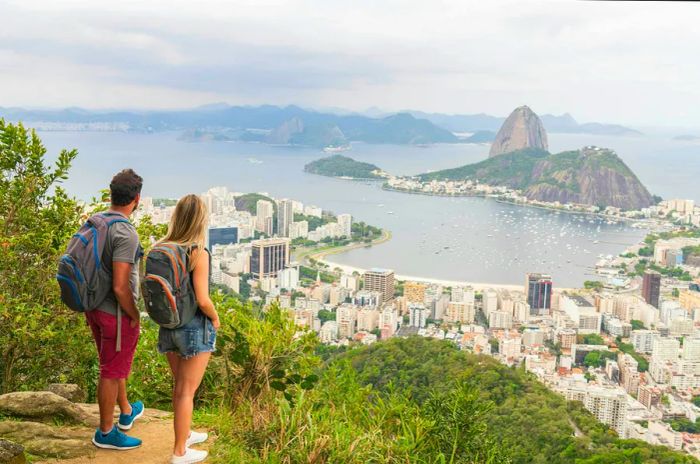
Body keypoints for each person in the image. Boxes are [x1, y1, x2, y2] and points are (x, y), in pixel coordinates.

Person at [157, 194, 219, 464]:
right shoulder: (198, 251)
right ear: (200, 221)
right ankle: (180, 452)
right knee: (186, 391)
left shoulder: (161, 247)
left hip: (168, 326)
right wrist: (215, 318)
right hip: (193, 327)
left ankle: (186, 434)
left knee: (180, 388)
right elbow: (203, 299)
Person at [87, 169, 145, 450]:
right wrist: (134, 315)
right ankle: (106, 432)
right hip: (116, 314)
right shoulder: (125, 233)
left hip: (94, 307)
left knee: (113, 363)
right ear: (136, 199)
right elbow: (122, 287)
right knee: (111, 371)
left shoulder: (97, 221)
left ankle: (125, 410)